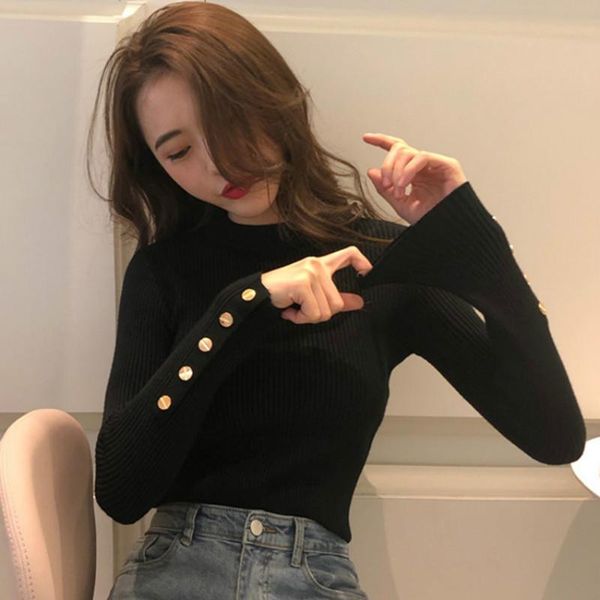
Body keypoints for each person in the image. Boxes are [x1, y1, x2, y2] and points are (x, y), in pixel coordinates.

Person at [89, 2, 587, 598]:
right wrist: (241, 306)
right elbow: (120, 491)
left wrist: (478, 244)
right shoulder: (163, 270)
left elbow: (554, 435)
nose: (218, 163)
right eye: (178, 152)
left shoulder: (378, 263)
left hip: (313, 578)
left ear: (276, 100)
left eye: (230, 120)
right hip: (175, 572)